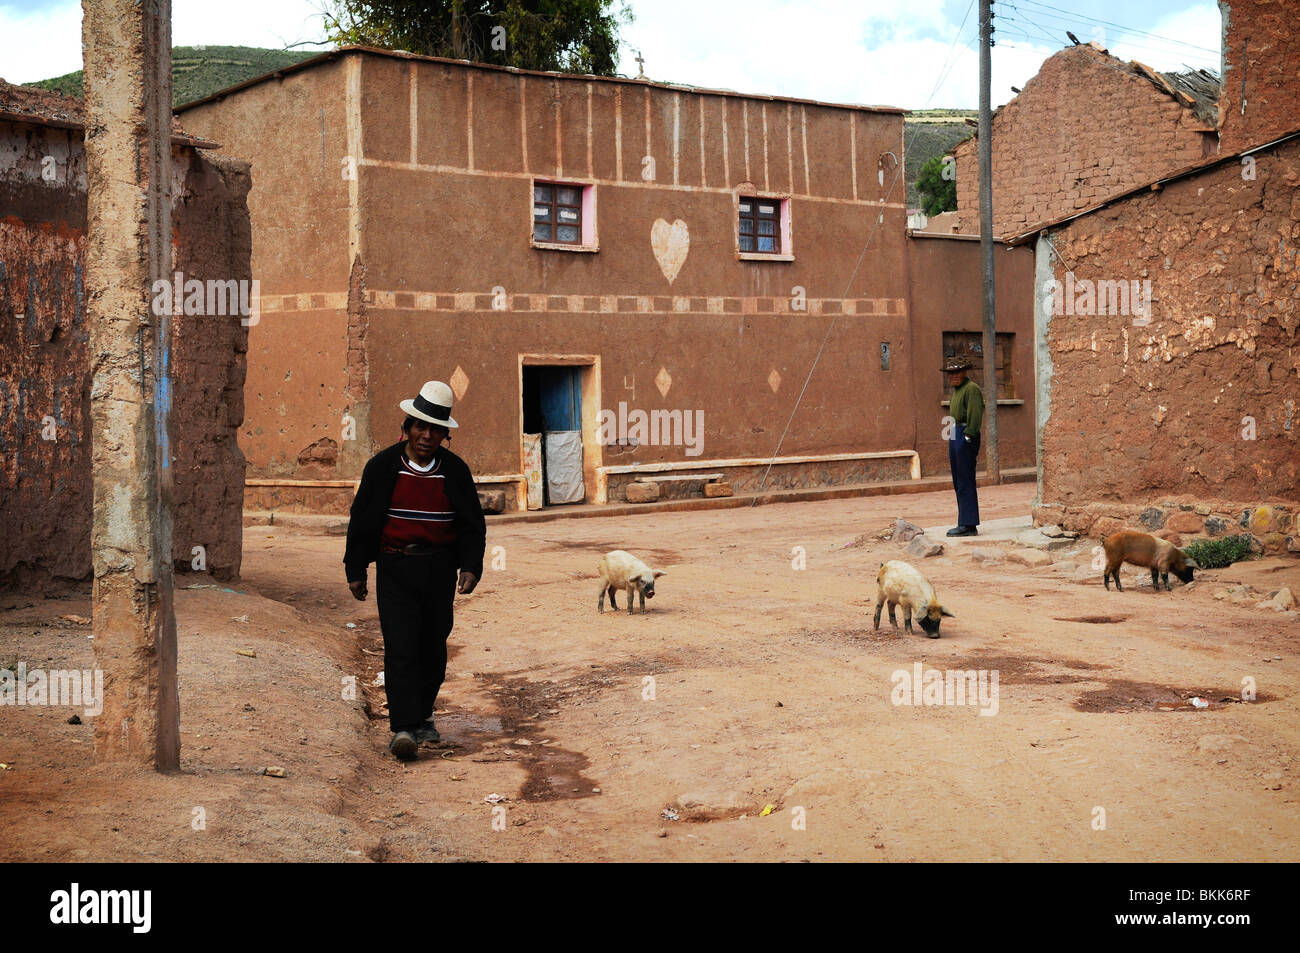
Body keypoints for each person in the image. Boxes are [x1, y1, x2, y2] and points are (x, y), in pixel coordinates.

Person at [344, 380, 486, 761]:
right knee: (401, 646)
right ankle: (403, 728)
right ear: (406, 428)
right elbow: (361, 520)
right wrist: (356, 567)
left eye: (435, 429)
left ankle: (423, 715)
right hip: (396, 566)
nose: (426, 436)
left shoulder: (455, 471)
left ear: (444, 435)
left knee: (433, 648)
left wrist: (471, 566)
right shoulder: (382, 467)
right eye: (420, 427)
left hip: (439, 570)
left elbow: (473, 524)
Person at [943, 357, 984, 537]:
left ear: (965, 372)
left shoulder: (971, 389)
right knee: (958, 480)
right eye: (951, 373)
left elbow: (975, 415)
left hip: (965, 435)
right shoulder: (956, 391)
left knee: (966, 479)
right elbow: (953, 417)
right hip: (954, 434)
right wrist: (950, 438)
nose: (954, 376)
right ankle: (964, 521)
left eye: (957, 372)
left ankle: (968, 524)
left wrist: (968, 436)